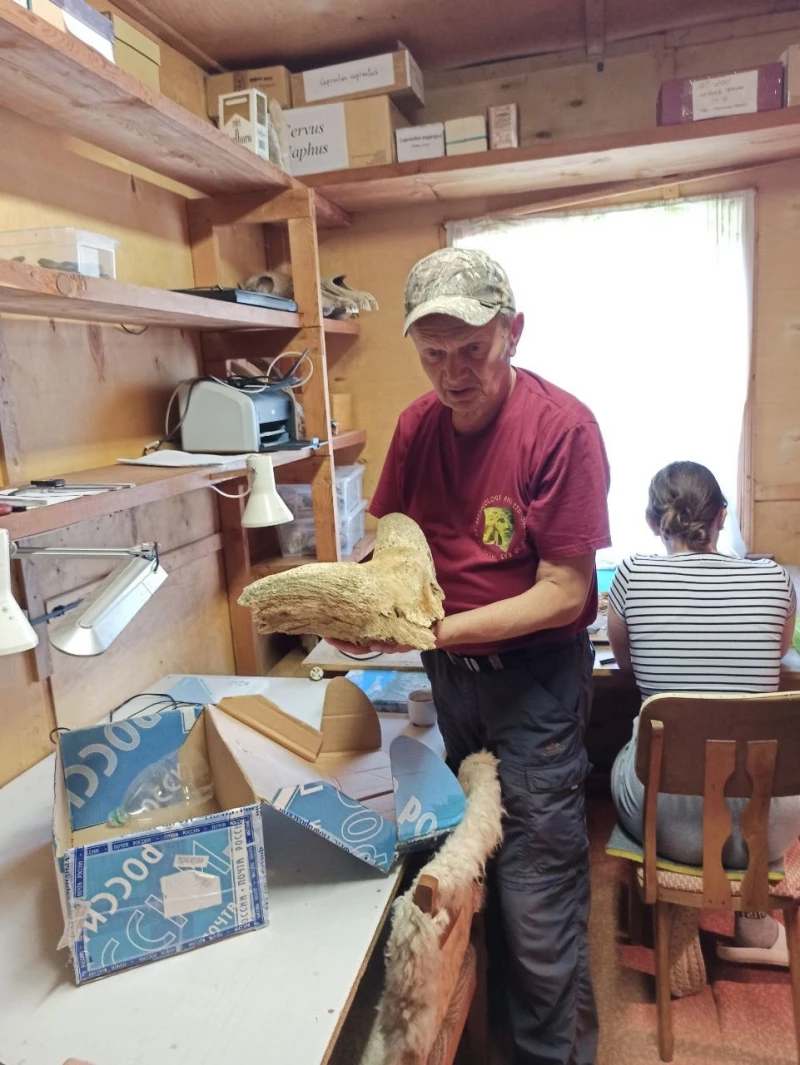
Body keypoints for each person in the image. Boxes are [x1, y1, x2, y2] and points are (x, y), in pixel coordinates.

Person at [335, 247, 611, 1065]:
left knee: (535, 894)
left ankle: (552, 1053)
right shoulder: (417, 427)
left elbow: (565, 591)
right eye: (433, 354)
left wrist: (433, 630)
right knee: (476, 872)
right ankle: (514, 1038)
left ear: (513, 333)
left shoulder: (562, 429)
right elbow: (392, 544)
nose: (453, 374)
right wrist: (356, 598)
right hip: (455, 686)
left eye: (472, 350)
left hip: (534, 685)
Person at [608, 460, 799, 967]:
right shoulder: (773, 577)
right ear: (722, 517)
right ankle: (754, 922)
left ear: (653, 522)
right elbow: (780, 650)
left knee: (633, 745)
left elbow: (625, 663)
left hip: (669, 825)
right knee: (755, 755)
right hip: (770, 826)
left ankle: (676, 905)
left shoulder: (633, 573)